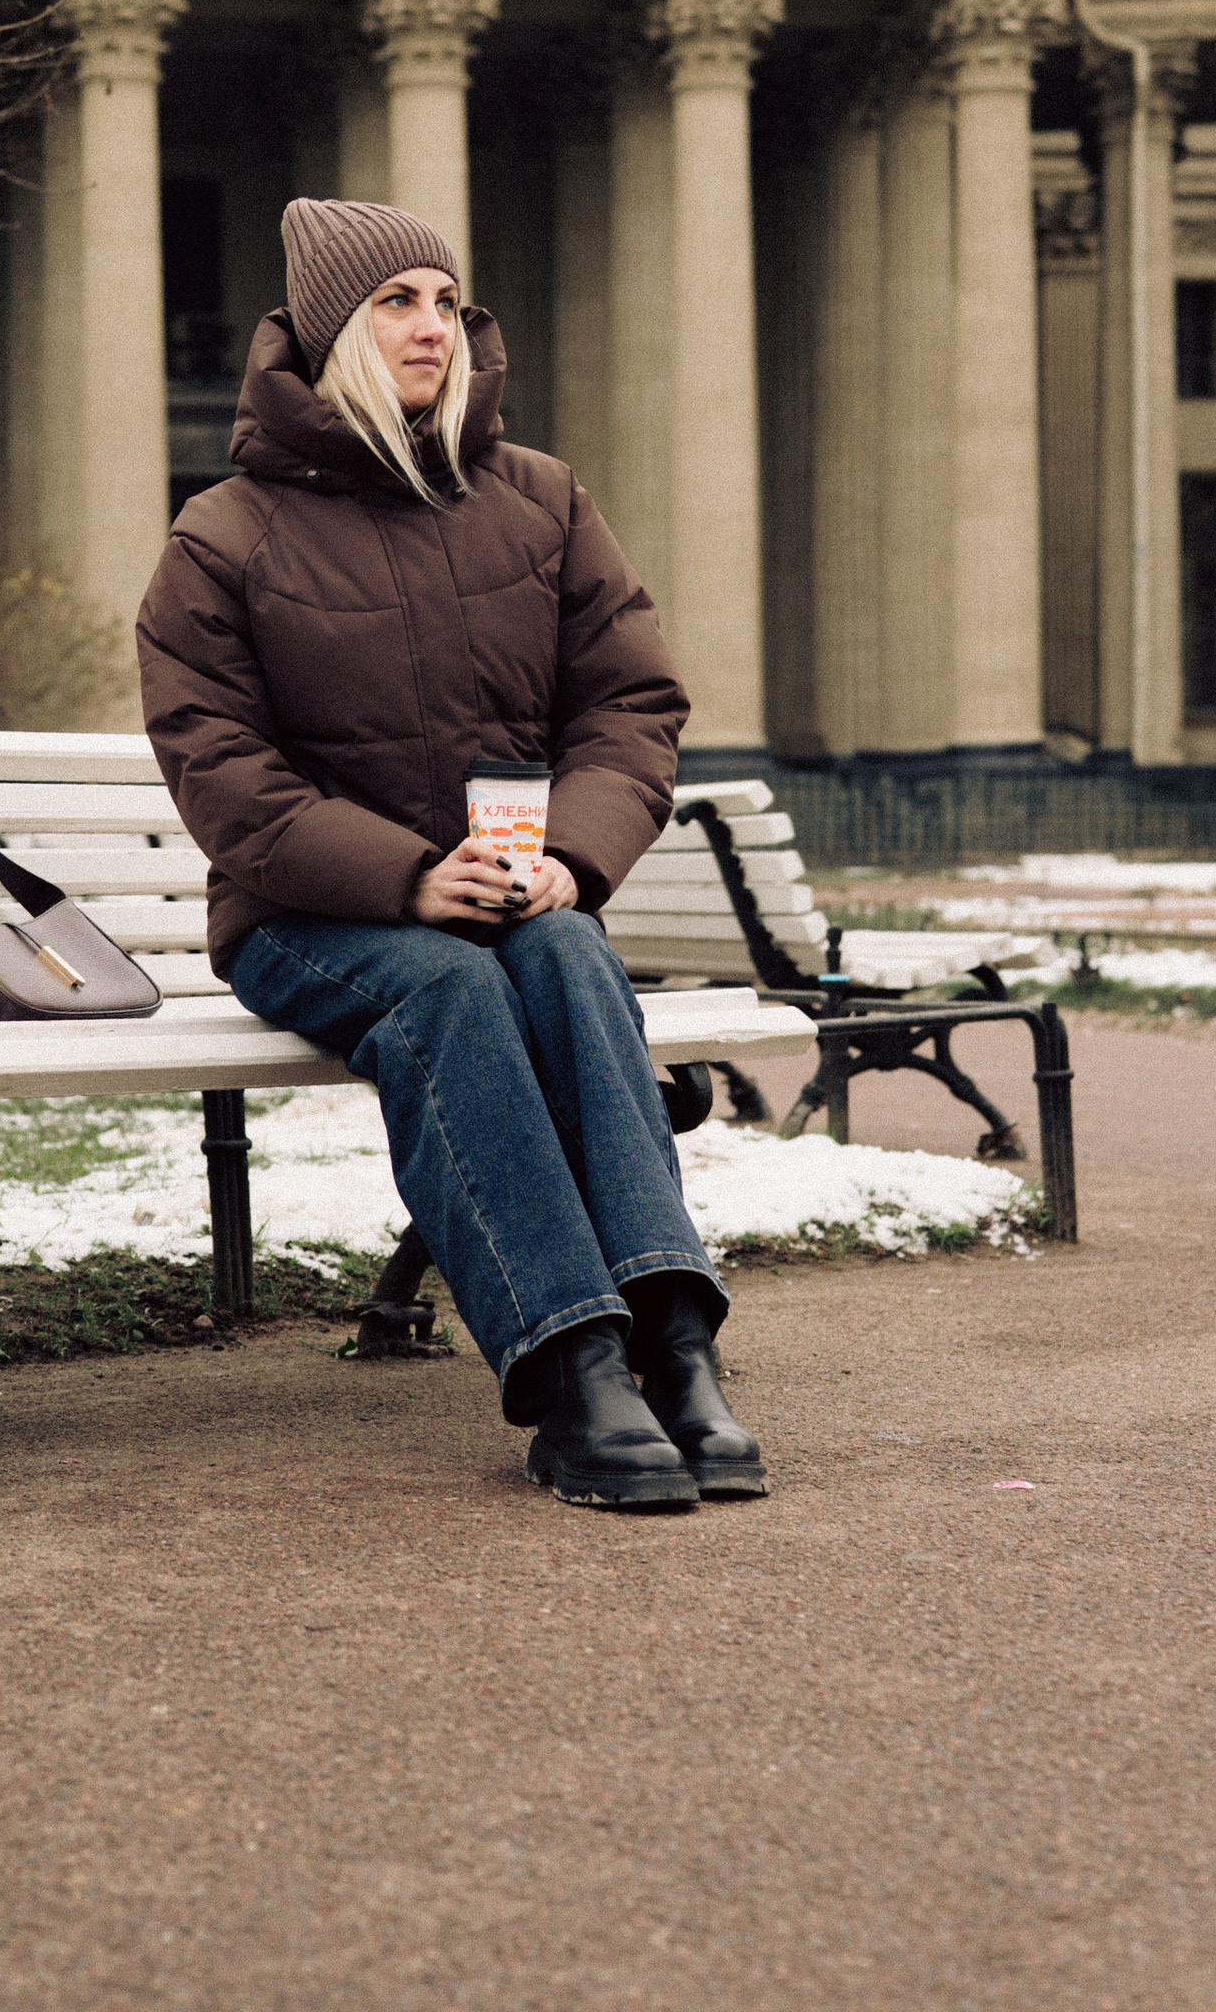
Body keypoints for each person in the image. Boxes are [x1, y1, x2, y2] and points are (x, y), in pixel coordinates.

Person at [136, 195, 766, 1512]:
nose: (434, 327)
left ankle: (677, 1346)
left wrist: (572, 856)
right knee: (451, 986)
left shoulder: (541, 499)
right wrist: (407, 878)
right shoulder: (224, 537)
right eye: (395, 304)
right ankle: (575, 1370)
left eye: (444, 301)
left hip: (511, 897)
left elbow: (629, 705)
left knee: (566, 948)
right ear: (330, 335)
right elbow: (222, 771)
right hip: (310, 919)